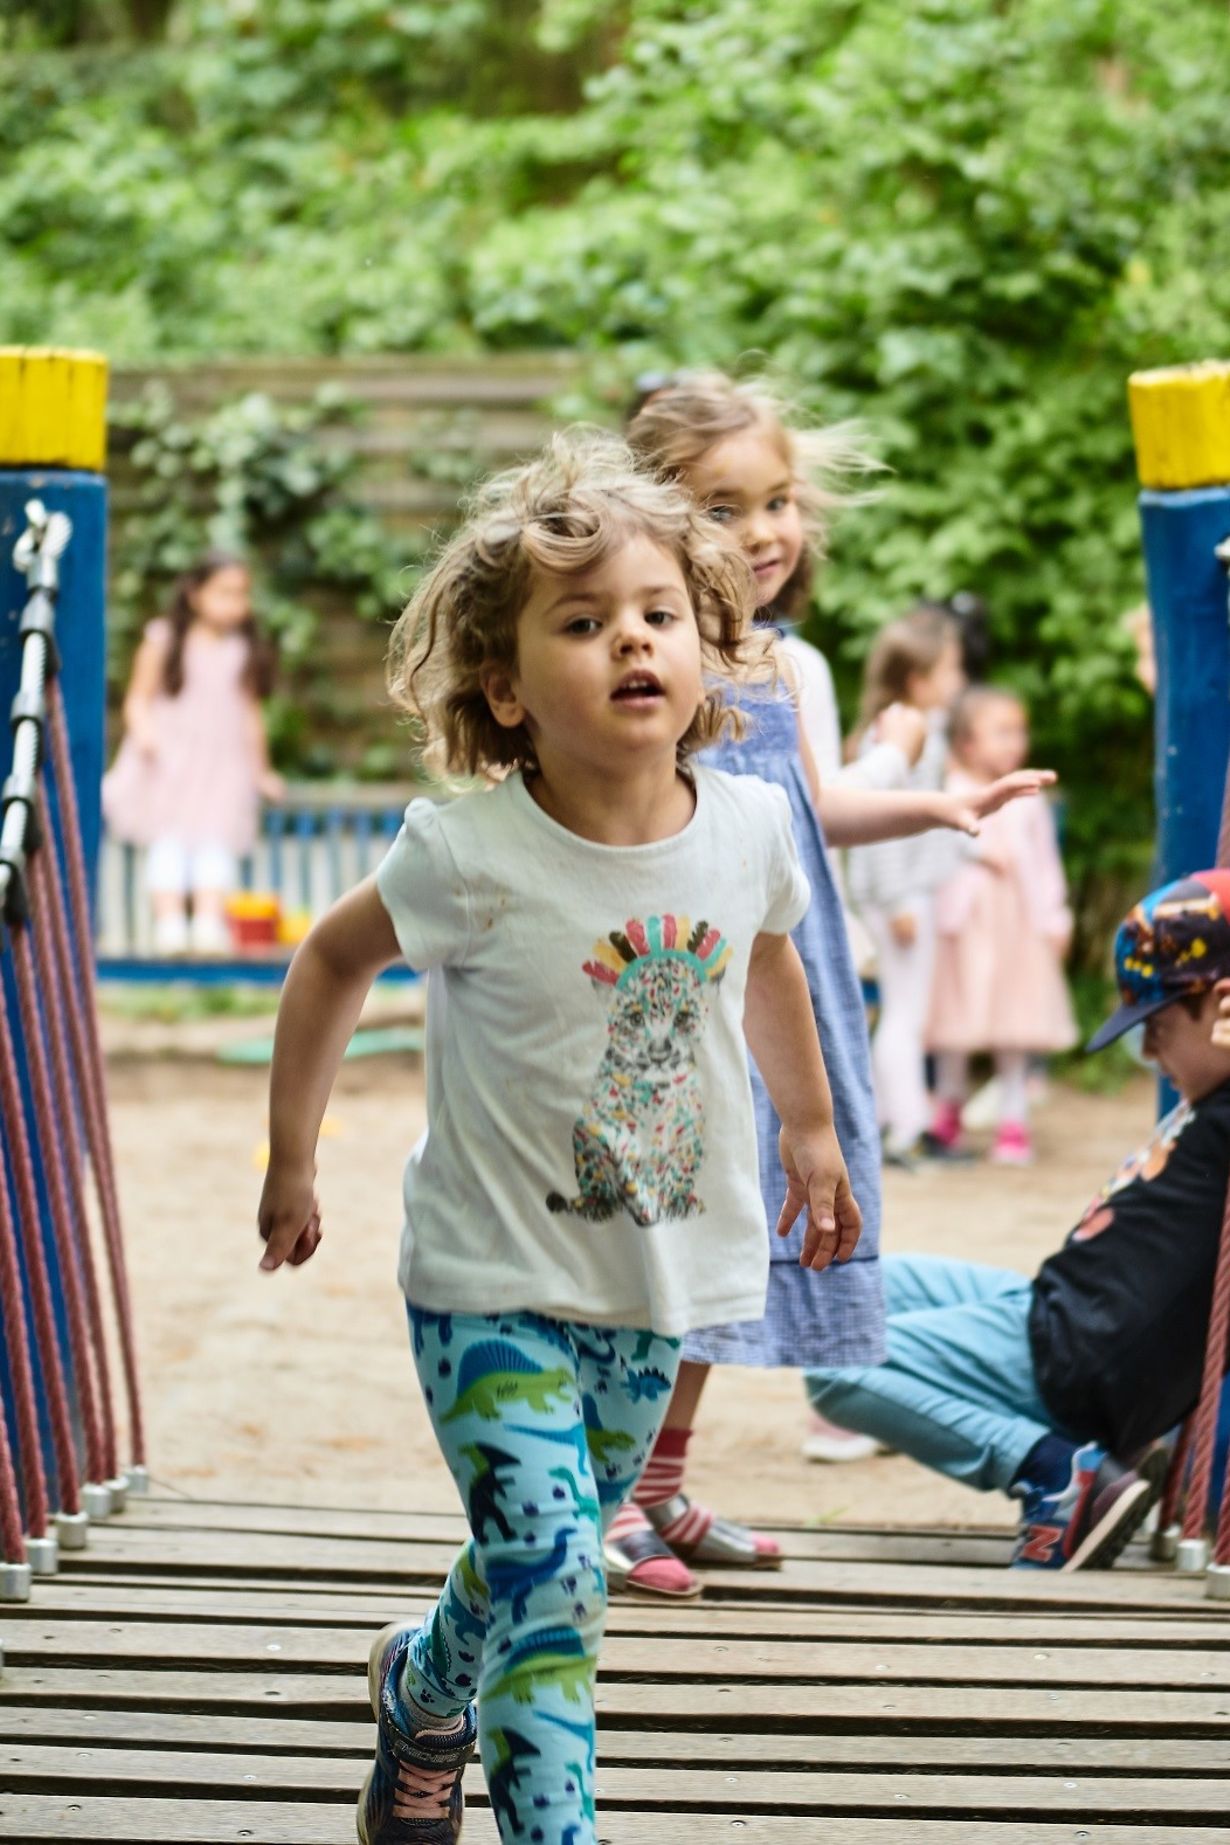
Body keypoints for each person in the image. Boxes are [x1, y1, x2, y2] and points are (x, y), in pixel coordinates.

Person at [256, 433, 864, 1845]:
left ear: (708, 648)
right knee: (556, 1574)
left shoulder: (752, 826)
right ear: (507, 687)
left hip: (652, 1278)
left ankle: (418, 1687)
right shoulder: (466, 854)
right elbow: (331, 962)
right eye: (581, 623)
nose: (629, 642)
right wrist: (294, 1155)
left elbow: (768, 959)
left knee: (539, 1558)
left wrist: (812, 1130)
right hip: (484, 1279)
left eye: (657, 614)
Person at [621, 373, 1054, 1581]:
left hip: (786, 984)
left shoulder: (778, 660)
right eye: (723, 507)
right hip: (692, 978)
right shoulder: (646, 654)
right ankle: (605, 1488)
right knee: (663, 1224)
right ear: (652, 518)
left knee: (740, 1225)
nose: (764, 532)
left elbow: (810, 813)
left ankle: (660, 1482)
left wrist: (939, 804)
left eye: (777, 502)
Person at [806, 869, 1230, 1569]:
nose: (1150, 1054)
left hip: (1080, 1358)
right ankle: (1092, 1461)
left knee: (835, 1364)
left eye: (1154, 1026)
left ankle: (1054, 1470)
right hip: (1058, 1311)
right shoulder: (1209, 1095)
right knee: (858, 1285)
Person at [103, 553, 283, 953]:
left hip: (222, 763)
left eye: (241, 594)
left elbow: (251, 716)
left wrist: (262, 770)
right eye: (223, 592)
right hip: (170, 760)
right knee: (168, 840)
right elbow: (137, 699)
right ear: (195, 594)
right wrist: (147, 736)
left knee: (214, 842)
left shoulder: (243, 651)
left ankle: (207, 923)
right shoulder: (164, 640)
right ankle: (169, 926)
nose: (235, 603)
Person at [927, 686, 1077, 1165]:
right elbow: (933, 852)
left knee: (1013, 1021)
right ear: (968, 742)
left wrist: (1055, 917)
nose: (1015, 741)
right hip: (962, 926)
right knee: (956, 1018)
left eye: (1020, 731)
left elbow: (1045, 865)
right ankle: (946, 1107)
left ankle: (1013, 1117)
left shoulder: (1029, 799)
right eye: (1001, 732)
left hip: (1015, 926)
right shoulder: (947, 790)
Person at [846, 605, 969, 1166]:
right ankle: (904, 1132)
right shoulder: (904, 734)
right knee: (904, 1013)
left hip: (906, 892)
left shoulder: (913, 730)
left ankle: (883, 1122)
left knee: (900, 1010)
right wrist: (897, 899)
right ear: (919, 681)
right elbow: (886, 825)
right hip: (900, 896)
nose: (959, 681)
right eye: (950, 670)